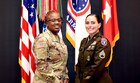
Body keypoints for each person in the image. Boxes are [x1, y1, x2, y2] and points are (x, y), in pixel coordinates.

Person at [32, 10, 69, 83]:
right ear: (46, 23)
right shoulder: (43, 39)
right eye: (53, 20)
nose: (57, 23)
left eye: (59, 20)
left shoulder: (59, 39)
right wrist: (56, 80)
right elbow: (41, 65)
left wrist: (65, 77)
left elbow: (62, 62)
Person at [75, 14, 113, 83]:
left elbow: (97, 67)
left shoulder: (102, 42)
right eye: (87, 23)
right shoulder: (83, 41)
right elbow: (79, 64)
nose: (89, 25)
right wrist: (77, 79)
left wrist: (84, 81)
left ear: (99, 25)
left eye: (93, 23)